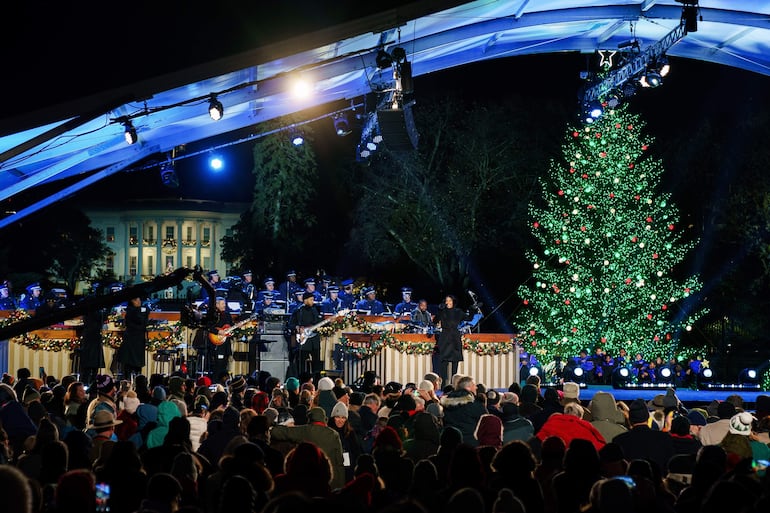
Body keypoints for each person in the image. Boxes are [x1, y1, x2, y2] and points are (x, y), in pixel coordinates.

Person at [433, 294, 473, 384]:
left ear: (453, 302)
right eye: (446, 300)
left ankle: (454, 384)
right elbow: (435, 321)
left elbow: (469, 318)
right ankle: (443, 385)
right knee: (444, 362)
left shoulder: (458, 312)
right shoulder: (443, 311)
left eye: (450, 300)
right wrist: (440, 310)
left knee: (455, 361)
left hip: (455, 336)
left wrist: (472, 309)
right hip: (445, 336)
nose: (448, 302)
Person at [289, 291, 324, 377]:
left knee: (316, 363)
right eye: (311, 300)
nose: (313, 301)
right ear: (305, 300)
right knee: (301, 363)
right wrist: (297, 327)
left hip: (314, 341)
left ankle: (316, 380)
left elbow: (318, 321)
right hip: (304, 341)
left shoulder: (315, 310)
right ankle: (301, 380)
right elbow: (290, 324)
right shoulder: (298, 311)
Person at [117, 296, 149, 379]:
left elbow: (145, 318)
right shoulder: (131, 311)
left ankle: (137, 382)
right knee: (129, 366)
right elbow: (139, 319)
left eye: (139, 299)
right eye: (135, 300)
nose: (138, 301)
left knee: (137, 366)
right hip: (131, 342)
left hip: (139, 342)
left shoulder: (142, 310)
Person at [207, 296, 234, 383]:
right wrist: (219, 332)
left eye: (224, 304)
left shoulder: (228, 315)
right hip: (217, 345)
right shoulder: (212, 315)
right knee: (217, 366)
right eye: (222, 304)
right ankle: (216, 383)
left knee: (225, 365)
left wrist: (232, 332)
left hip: (226, 345)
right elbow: (209, 327)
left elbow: (231, 326)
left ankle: (223, 384)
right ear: (217, 304)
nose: (224, 305)